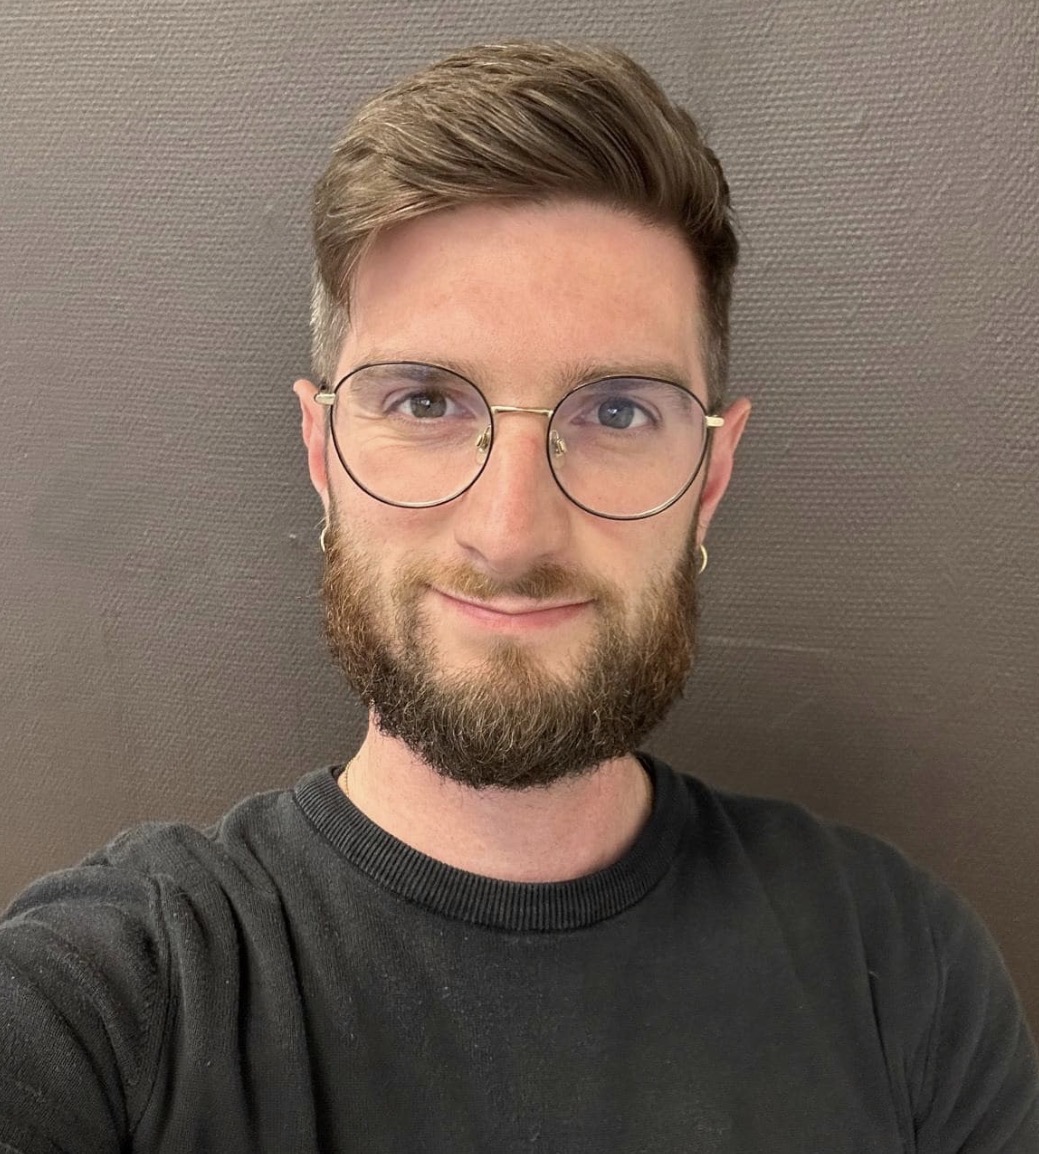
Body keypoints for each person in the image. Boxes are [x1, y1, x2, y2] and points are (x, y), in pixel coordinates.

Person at [1, 40, 1036, 1154]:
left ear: (711, 478)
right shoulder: (110, 1000)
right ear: (321, 450)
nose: (509, 533)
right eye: (425, 399)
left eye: (618, 413)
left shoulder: (906, 970)